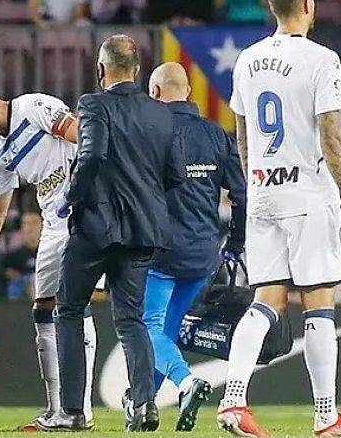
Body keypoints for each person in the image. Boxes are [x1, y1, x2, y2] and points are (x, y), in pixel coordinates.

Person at [218, 0, 341, 436]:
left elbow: (242, 138)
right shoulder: (322, 59)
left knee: (266, 301)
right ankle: (325, 414)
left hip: (263, 191)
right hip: (309, 194)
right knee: (319, 301)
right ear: (309, 5)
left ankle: (233, 400)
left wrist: (257, 185)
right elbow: (331, 136)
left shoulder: (247, 59)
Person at [0, 76, 99, 430]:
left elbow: (85, 137)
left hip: (84, 215)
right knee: (43, 310)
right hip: (52, 224)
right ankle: (57, 409)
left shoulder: (34, 107)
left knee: (74, 305)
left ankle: (81, 409)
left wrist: (87, 190)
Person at [52, 35, 184, 432]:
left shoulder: (94, 105)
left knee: (69, 309)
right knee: (131, 319)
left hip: (95, 228)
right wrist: (144, 195)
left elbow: (91, 154)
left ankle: (73, 411)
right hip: (144, 231)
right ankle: (144, 403)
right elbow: (176, 174)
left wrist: (71, 196)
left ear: (100, 69)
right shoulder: (162, 113)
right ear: (138, 71)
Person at [126, 62, 247, 432]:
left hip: (159, 251)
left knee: (147, 327)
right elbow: (242, 194)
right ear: (189, 91)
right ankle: (143, 405)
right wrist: (235, 242)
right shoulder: (217, 135)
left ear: (155, 93)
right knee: (166, 330)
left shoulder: (147, 133)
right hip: (202, 255)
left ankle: (185, 381)